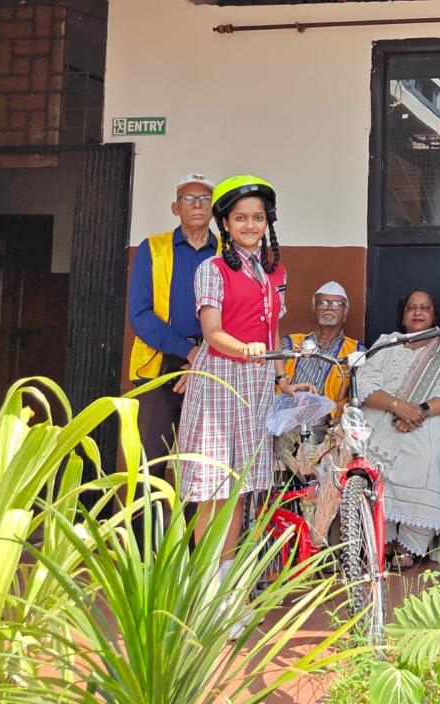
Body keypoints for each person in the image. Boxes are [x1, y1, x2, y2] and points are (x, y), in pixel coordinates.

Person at [178, 175, 310, 630]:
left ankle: (229, 593)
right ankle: (206, 592)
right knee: (211, 490)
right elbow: (213, 333)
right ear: (226, 223)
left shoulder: (277, 272)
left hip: (256, 384)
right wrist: (244, 350)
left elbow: (271, 333)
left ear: (267, 221)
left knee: (235, 493)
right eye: (240, 218)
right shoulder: (211, 270)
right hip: (219, 381)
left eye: (257, 217)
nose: (250, 224)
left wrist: (281, 378)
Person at [352, 289, 440, 566]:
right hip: (384, 411)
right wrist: (397, 406)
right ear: (403, 316)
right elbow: (365, 384)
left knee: (430, 452)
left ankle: (413, 543)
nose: (418, 312)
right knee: (368, 449)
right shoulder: (387, 344)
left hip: (428, 417)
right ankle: (383, 538)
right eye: (412, 307)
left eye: (425, 307)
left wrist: (419, 411)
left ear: (434, 315)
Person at [127, 173, 220, 480]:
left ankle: (195, 530)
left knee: (204, 462)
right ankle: (144, 530)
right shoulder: (152, 249)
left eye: (205, 199)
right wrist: (187, 351)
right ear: (175, 207)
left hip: (214, 365)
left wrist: (202, 356)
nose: (197, 205)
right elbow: (140, 314)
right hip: (159, 365)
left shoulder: (227, 253)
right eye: (188, 199)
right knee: (150, 461)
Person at [281, 281, 362, 417]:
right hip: (288, 422)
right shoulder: (290, 343)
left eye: (337, 304)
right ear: (314, 312)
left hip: (329, 427)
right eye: (323, 303)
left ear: (345, 315)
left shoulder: (356, 351)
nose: (329, 308)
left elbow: (360, 397)